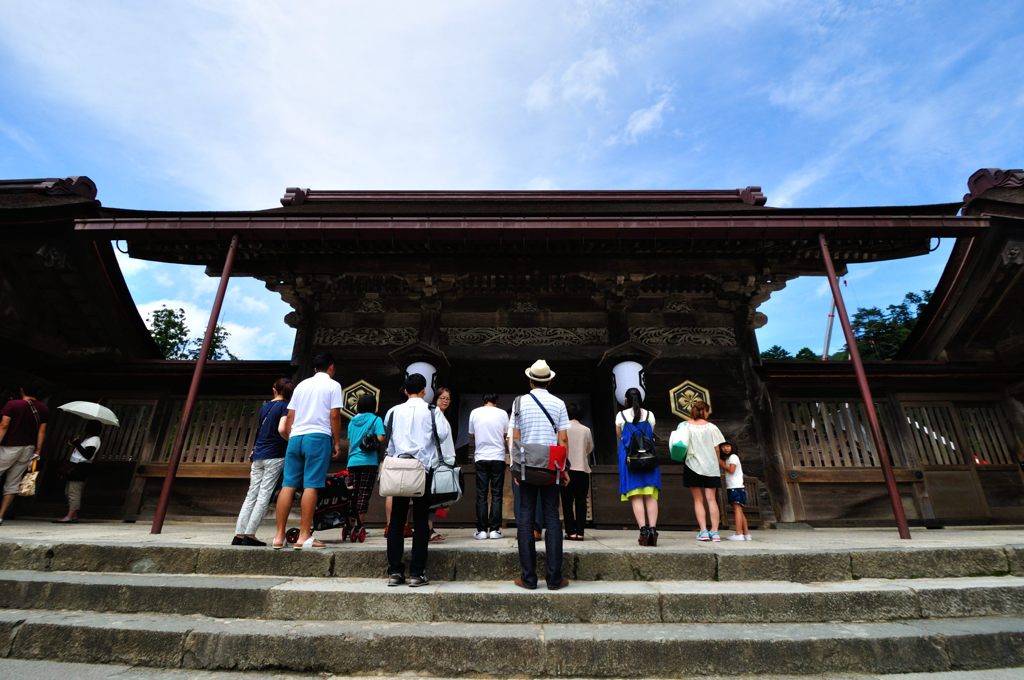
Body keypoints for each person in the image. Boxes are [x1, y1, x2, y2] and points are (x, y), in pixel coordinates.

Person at [384, 372, 451, 587]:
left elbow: (390, 441)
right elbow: (441, 436)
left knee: (397, 518)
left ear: (405, 390)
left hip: (398, 467)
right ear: (424, 391)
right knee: (421, 520)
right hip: (423, 468)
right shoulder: (433, 412)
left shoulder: (393, 412)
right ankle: (417, 572)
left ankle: (395, 571)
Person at [272, 353, 343, 550]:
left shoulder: (301, 385)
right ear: (331, 367)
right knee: (311, 484)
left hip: (296, 437)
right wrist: (336, 442)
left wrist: (290, 436)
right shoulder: (333, 385)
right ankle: (304, 536)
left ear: (314, 369)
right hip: (318, 436)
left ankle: (279, 536)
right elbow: (335, 415)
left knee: (288, 484)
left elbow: (291, 415)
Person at [511, 359, 570, 591]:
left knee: (525, 517)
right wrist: (563, 468)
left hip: (526, 466)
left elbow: (515, 437)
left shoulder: (518, 403)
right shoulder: (559, 403)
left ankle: (528, 578)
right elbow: (563, 439)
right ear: (550, 380)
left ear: (530, 380)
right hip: (551, 467)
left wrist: (515, 467)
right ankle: (555, 579)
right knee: (552, 518)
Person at [232, 378, 292, 546]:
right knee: (264, 495)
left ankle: (239, 533)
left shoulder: (265, 407)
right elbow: (282, 428)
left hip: (258, 453)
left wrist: (255, 448)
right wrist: (289, 441)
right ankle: (250, 534)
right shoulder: (286, 407)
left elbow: (260, 430)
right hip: (275, 454)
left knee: (251, 494)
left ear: (274, 389)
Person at [616, 387, 661, 546]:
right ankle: (653, 530)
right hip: (649, 457)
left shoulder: (620, 416)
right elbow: (650, 433)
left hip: (630, 458)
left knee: (636, 495)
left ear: (626, 401)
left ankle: (643, 530)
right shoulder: (650, 415)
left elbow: (620, 435)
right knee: (650, 495)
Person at [0, 383, 48, 525]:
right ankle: (1, 515)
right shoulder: (43, 408)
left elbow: (4, 425)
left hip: (9, 446)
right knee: (13, 483)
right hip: (28, 449)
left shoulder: (13, 404)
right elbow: (42, 431)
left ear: (21, 390)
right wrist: (38, 450)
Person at [682, 400, 726, 542]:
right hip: (711, 467)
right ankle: (715, 532)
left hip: (692, 465)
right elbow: (717, 448)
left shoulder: (685, 426)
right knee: (712, 499)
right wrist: (716, 462)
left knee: (698, 499)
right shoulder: (712, 427)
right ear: (705, 411)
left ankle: (703, 531)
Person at [345, 392, 385, 542]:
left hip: (352, 461)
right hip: (369, 461)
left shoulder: (351, 421)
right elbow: (381, 437)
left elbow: (350, 444)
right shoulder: (376, 419)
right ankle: (360, 525)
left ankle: (349, 524)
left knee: (352, 494)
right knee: (363, 493)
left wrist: (349, 461)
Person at [468, 393, 509, 539]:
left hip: (481, 457)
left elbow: (471, 434)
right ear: (496, 402)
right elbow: (506, 434)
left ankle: (481, 530)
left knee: (481, 495)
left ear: (484, 401)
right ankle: (494, 530)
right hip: (498, 456)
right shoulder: (503, 413)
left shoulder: (475, 412)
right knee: (497, 494)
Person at [54, 420, 102, 524]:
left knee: (74, 492)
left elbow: (87, 455)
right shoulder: (89, 439)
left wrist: (77, 444)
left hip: (81, 467)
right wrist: (76, 443)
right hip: (76, 465)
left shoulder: (94, 440)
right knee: (68, 491)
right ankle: (74, 515)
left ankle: (70, 516)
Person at [561, 402, 593, 541]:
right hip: (582, 469)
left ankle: (570, 531)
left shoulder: (562, 429)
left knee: (567, 502)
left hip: (566, 469)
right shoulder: (586, 430)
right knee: (581, 501)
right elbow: (589, 448)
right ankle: (580, 532)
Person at [427, 386, 455, 542]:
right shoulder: (436, 414)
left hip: (443, 460)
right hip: (438, 461)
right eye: (442, 398)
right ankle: (428, 528)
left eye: (447, 398)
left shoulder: (441, 415)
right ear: (435, 399)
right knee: (435, 496)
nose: (445, 401)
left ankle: (430, 527)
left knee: (438, 497)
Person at [719, 441, 751, 541]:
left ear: (732, 447)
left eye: (728, 446)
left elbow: (731, 470)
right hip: (736, 487)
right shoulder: (729, 458)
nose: (726, 448)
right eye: (723, 447)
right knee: (739, 511)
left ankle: (738, 533)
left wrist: (719, 462)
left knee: (737, 510)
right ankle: (746, 534)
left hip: (735, 487)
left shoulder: (733, 457)